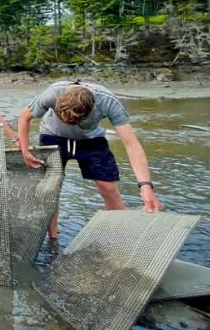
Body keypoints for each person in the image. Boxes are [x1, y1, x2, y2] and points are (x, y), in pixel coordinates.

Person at [18, 80, 163, 238]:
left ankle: (120, 233)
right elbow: (24, 118)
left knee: (107, 187)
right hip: (53, 137)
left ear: (92, 109)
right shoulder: (51, 94)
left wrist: (145, 185)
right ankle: (53, 235)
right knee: (51, 188)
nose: (70, 124)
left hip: (91, 140)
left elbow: (132, 144)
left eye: (75, 122)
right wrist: (25, 151)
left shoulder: (107, 101)